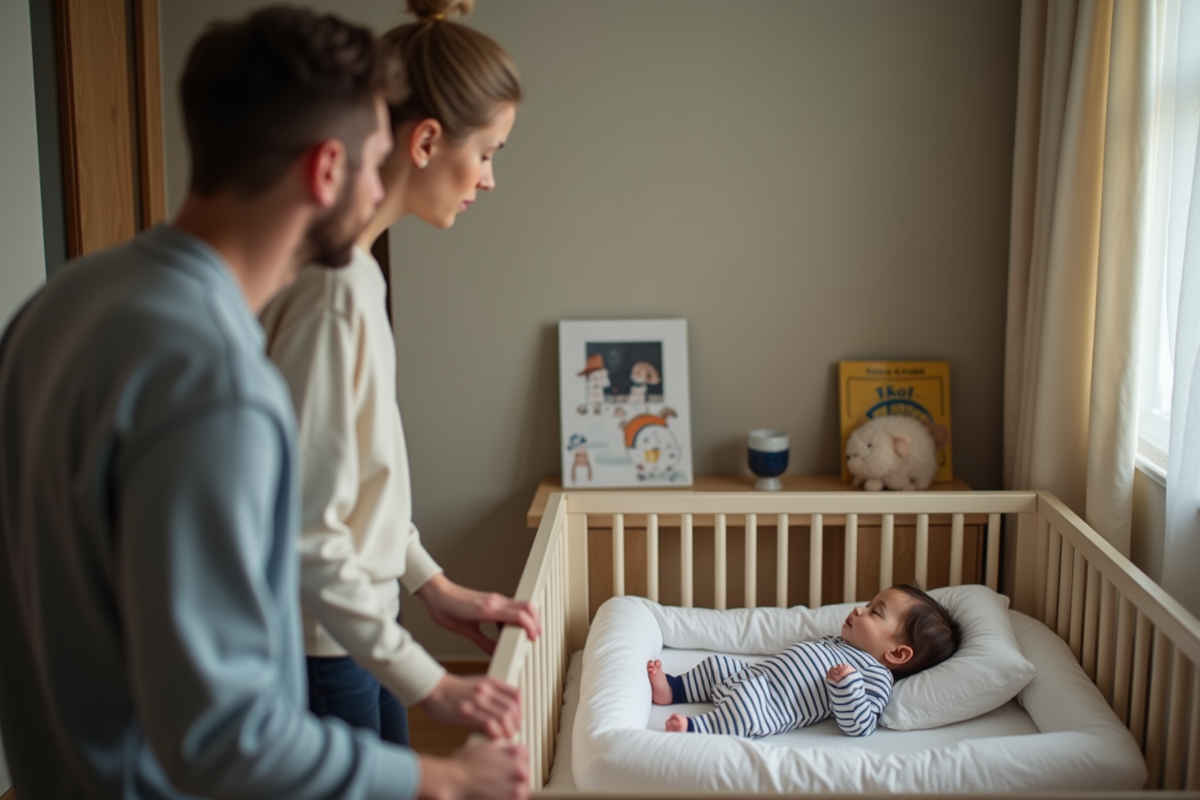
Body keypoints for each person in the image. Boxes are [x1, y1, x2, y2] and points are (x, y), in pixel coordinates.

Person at [0, 6, 526, 799]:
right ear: (326, 170)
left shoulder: (59, 303)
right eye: (377, 152)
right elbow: (224, 736)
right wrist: (442, 778)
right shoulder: (220, 387)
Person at [259, 0, 536, 748]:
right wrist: (432, 683)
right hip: (326, 636)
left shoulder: (354, 271)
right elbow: (306, 529)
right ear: (425, 141)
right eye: (488, 153)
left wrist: (430, 585)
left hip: (358, 622)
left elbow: (357, 484)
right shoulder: (329, 287)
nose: (488, 180)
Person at [646, 584, 960, 738]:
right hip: (751, 675)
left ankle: (698, 729)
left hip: (768, 704)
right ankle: (673, 689)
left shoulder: (874, 676)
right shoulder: (841, 641)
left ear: (896, 653)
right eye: (868, 604)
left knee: (744, 714)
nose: (860, 610)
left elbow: (860, 726)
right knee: (717, 665)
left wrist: (847, 685)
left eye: (875, 612)